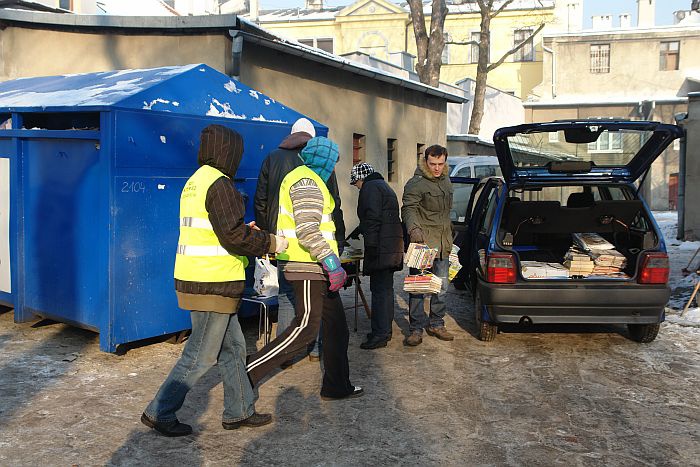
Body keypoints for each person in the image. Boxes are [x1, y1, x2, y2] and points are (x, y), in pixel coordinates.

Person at [141, 124, 288, 437]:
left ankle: (239, 411)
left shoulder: (196, 181)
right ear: (229, 152)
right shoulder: (220, 184)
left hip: (200, 279)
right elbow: (233, 236)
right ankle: (160, 411)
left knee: (233, 348)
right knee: (200, 355)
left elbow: (222, 229)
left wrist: (243, 231)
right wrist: (270, 242)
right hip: (212, 284)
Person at [246, 136, 363, 401]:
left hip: (316, 265)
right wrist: (332, 263)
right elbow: (308, 230)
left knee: (336, 328)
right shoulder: (307, 181)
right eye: (332, 162)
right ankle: (249, 369)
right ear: (322, 160)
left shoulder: (311, 179)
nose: (334, 168)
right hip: (306, 266)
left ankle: (336, 385)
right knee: (306, 328)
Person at [253, 118, 345, 361]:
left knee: (285, 298)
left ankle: (287, 357)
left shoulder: (273, 158)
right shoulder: (319, 165)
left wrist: (269, 237)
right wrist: (336, 247)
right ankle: (312, 351)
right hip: (311, 254)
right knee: (315, 309)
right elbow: (333, 207)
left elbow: (260, 200)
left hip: (282, 244)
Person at [401, 144, 454, 347]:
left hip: (443, 243)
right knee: (418, 288)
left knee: (442, 287)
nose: (437, 168)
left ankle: (436, 323)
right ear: (426, 161)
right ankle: (415, 329)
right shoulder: (417, 183)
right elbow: (408, 209)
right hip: (422, 242)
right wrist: (414, 230)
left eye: (440, 164)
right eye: (433, 164)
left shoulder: (446, 181)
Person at [349, 162, 403, 349]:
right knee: (386, 291)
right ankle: (384, 330)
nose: (356, 187)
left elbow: (372, 218)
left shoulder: (369, 189)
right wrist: (359, 230)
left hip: (380, 249)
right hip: (390, 247)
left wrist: (370, 247)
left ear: (361, 179)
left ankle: (380, 335)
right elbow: (380, 215)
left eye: (355, 183)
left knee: (379, 292)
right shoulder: (383, 186)